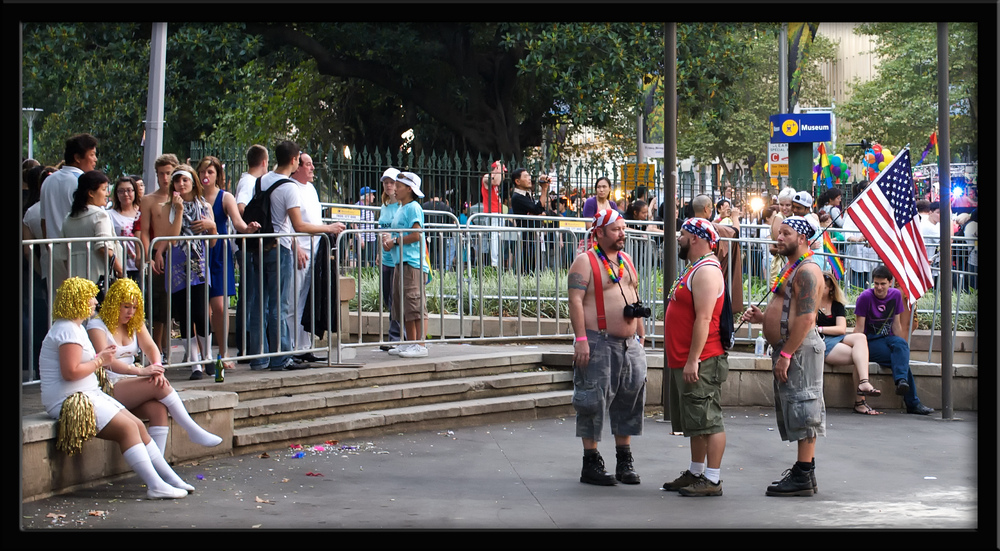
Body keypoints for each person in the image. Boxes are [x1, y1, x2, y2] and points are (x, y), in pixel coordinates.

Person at [39, 277, 190, 500]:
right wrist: (101, 360)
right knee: (128, 430)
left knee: (137, 424)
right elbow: (70, 372)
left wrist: (101, 358)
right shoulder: (66, 330)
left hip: (90, 393)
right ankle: (155, 485)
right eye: (90, 298)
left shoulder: (75, 327)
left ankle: (168, 477)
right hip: (71, 399)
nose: (94, 302)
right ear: (76, 300)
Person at [87, 278, 223, 453]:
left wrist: (157, 367)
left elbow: (152, 347)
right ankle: (191, 429)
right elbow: (107, 362)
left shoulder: (134, 322)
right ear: (114, 303)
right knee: (156, 384)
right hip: (107, 385)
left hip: (131, 381)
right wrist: (142, 371)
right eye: (126, 306)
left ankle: (158, 464)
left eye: (135, 307)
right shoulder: (96, 325)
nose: (131, 312)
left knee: (159, 409)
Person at [740, 216, 825, 497]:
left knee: (805, 408)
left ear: (802, 239)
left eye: (785, 233)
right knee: (797, 408)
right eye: (779, 233)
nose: (779, 237)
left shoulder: (808, 270)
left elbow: (807, 317)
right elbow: (788, 312)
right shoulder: (792, 267)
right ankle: (804, 473)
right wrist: (764, 319)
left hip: (799, 350)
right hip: (790, 348)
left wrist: (787, 352)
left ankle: (803, 474)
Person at [244, 141, 345, 372]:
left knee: (261, 303)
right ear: (293, 160)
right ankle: (281, 357)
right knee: (280, 304)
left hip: (261, 246)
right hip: (280, 247)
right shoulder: (289, 187)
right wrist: (328, 228)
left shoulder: (263, 180)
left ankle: (259, 357)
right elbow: (297, 224)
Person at [567, 209, 647, 486]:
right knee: (592, 401)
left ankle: (624, 460)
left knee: (629, 400)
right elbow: (575, 302)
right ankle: (591, 462)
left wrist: (640, 333)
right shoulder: (585, 261)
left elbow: (634, 294)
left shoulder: (625, 260)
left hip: (629, 345)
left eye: (623, 228)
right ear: (599, 232)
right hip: (598, 341)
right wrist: (581, 339)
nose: (622, 233)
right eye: (616, 229)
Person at [662, 218, 727, 496]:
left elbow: (703, 319)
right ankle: (696, 472)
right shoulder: (695, 268)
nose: (679, 238)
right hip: (685, 359)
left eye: (684, 234)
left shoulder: (707, 272)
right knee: (695, 419)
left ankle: (712, 479)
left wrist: (693, 359)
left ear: (697, 239)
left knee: (708, 419)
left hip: (703, 359)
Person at [197, 156, 260, 369]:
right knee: (201, 309)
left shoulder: (225, 197)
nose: (206, 176)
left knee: (220, 307)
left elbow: (238, 223)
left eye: (210, 172)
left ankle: (223, 353)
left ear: (218, 175)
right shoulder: (193, 197)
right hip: (198, 255)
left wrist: (248, 228)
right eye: (203, 172)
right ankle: (202, 354)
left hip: (218, 255)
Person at [159, 164, 216, 379]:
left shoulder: (205, 206)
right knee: (184, 315)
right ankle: (194, 364)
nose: (181, 184)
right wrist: (180, 210)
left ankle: (207, 356)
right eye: (177, 180)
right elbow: (172, 239)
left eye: (185, 180)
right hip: (178, 266)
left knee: (202, 313)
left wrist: (211, 225)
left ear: (193, 182)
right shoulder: (169, 207)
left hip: (199, 265)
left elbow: (212, 242)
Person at [854, 265, 934, 415]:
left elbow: (896, 325)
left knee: (901, 348)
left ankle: (903, 383)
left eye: (882, 284)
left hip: (888, 338)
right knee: (900, 363)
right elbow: (859, 329)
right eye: (876, 283)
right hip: (869, 341)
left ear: (890, 282)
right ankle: (911, 400)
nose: (879, 287)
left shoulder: (896, 295)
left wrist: (902, 347)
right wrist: (852, 348)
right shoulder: (865, 297)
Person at [815, 271, 883, 415]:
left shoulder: (837, 305)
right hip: (820, 341)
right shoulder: (811, 303)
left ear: (831, 288)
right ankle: (860, 401)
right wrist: (821, 330)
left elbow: (841, 329)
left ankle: (864, 382)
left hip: (835, 337)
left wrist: (819, 328)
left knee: (860, 338)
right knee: (860, 358)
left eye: (823, 287)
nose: (818, 289)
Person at [40, 133, 100, 290]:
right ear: (78, 158)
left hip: (53, 251)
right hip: (79, 255)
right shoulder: (82, 182)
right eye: (92, 155)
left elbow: (44, 221)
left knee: (58, 304)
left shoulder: (48, 181)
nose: (95, 159)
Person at [382, 171, 430, 358]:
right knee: (403, 305)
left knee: (415, 303)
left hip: (412, 263)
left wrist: (394, 241)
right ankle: (409, 342)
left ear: (409, 189)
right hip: (400, 261)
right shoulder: (401, 208)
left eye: (399, 186)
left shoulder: (413, 207)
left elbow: (416, 234)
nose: (395, 189)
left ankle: (420, 344)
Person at [142, 153, 180, 357]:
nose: (165, 178)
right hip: (159, 254)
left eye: (168, 173)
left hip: (181, 253)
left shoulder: (183, 198)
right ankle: (157, 348)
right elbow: (145, 231)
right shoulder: (149, 200)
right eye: (161, 174)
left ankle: (192, 351)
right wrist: (149, 255)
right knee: (159, 305)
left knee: (183, 302)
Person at [233, 145, 269, 356]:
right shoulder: (249, 182)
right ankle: (245, 344)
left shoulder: (249, 180)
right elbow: (240, 207)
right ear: (264, 162)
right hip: (247, 245)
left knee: (251, 294)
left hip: (249, 244)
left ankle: (247, 342)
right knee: (250, 295)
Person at [288, 153, 324, 361]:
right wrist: (296, 246)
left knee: (306, 299)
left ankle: (305, 345)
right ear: (298, 166)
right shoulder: (291, 187)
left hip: (315, 249)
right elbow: (288, 221)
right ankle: (292, 346)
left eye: (312, 164)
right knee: (293, 299)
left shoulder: (310, 188)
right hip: (299, 250)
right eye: (308, 165)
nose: (312, 168)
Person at [62, 170, 124, 288]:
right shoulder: (100, 215)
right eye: (104, 189)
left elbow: (63, 255)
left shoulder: (68, 218)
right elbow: (103, 247)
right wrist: (121, 271)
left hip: (76, 282)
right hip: (98, 280)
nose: (107, 194)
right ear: (91, 193)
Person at [690, 194, 743, 312]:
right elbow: (735, 233)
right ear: (706, 209)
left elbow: (709, 224)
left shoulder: (689, 225)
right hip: (711, 273)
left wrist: (720, 218)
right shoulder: (712, 229)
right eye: (711, 208)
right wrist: (735, 217)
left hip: (693, 272)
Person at [377, 168, 403, 351]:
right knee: (388, 298)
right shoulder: (384, 206)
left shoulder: (402, 207)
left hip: (397, 257)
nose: (388, 185)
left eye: (392, 182)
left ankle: (397, 336)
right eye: (386, 182)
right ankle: (394, 334)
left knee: (397, 298)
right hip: (386, 257)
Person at [509, 167, 550, 274]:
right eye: (526, 176)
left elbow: (540, 209)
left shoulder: (527, 194)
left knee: (534, 266)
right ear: (517, 181)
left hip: (533, 235)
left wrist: (538, 212)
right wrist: (544, 190)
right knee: (526, 268)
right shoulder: (517, 197)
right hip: (525, 237)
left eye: (529, 176)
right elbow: (537, 209)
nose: (529, 179)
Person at [108, 176, 142, 282]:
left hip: (139, 266)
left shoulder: (142, 212)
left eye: (129, 190)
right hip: (120, 267)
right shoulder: (109, 215)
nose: (125, 194)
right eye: (121, 191)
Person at [480, 161, 506, 268]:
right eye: (501, 170)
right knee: (495, 236)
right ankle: (495, 263)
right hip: (492, 212)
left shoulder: (496, 176)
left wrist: (500, 170)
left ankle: (498, 260)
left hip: (498, 211)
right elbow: (497, 182)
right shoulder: (487, 177)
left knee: (499, 236)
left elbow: (501, 179)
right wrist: (499, 169)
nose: (502, 173)